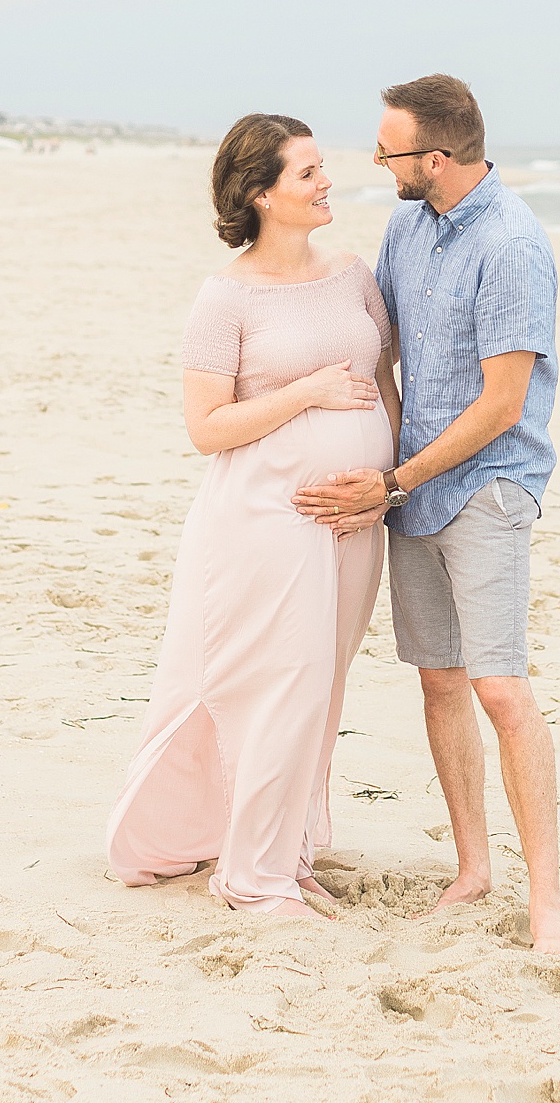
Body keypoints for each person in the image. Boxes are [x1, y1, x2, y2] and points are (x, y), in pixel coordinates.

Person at [293, 74, 560, 956]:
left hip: (487, 482)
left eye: (391, 151)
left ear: (439, 158)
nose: (379, 163)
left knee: (500, 687)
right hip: (412, 485)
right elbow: (382, 349)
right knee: (440, 680)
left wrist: (393, 481)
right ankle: (472, 870)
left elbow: (500, 405)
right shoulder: (407, 227)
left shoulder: (513, 244)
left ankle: (548, 907)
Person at [104, 114, 399, 918]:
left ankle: (288, 853)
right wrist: (305, 393)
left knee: (323, 688)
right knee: (282, 684)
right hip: (265, 517)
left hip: (353, 520)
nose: (325, 181)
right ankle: (253, 877)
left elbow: (387, 385)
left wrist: (386, 485)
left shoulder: (352, 274)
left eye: (320, 166)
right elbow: (206, 429)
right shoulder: (224, 297)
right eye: (307, 173)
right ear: (263, 193)